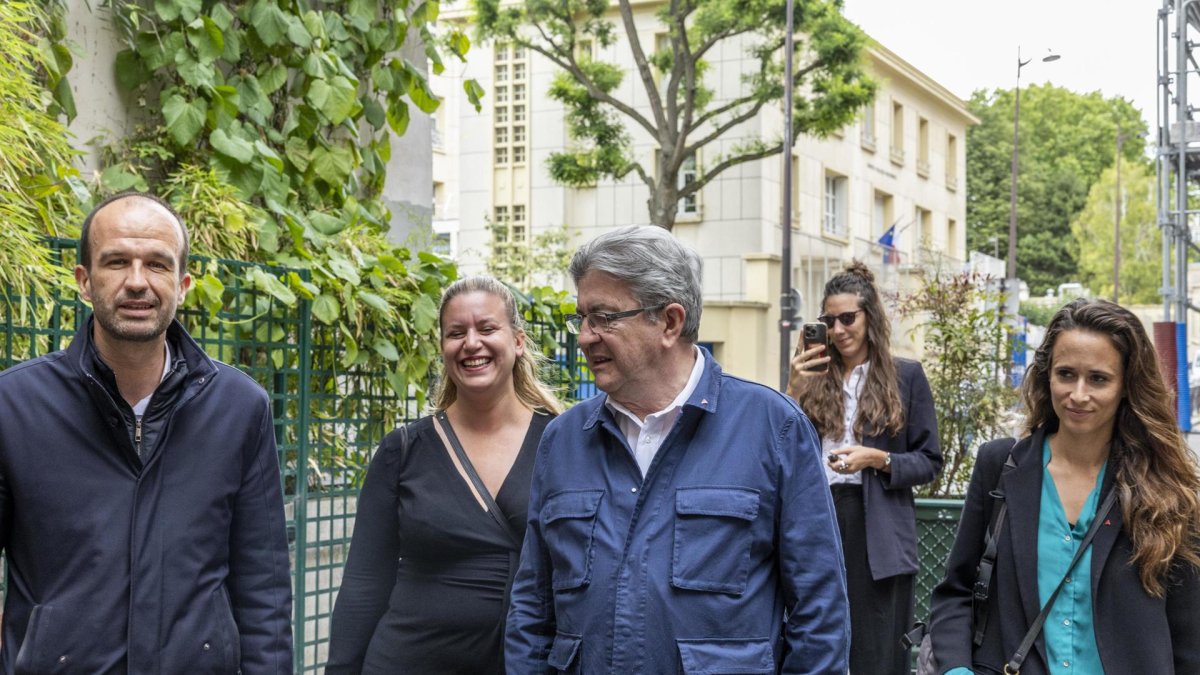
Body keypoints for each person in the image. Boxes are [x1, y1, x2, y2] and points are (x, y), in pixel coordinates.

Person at [505, 225, 849, 673]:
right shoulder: (565, 438)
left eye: (604, 318)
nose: (585, 336)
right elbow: (533, 606)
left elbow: (820, 614)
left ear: (669, 321)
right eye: (581, 318)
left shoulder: (773, 428)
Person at [0, 192, 293, 673]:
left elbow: (264, 587)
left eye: (157, 264)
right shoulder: (14, 406)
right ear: (84, 281)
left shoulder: (240, 407)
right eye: (116, 261)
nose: (137, 282)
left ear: (182, 285)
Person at [929, 299, 1200, 674]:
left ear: (1126, 386)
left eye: (1099, 379)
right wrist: (957, 669)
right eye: (1066, 374)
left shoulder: (1165, 487)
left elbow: (1189, 638)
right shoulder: (1000, 467)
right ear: (1047, 376)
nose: (1078, 394)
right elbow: (955, 592)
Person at [327, 275, 563, 674]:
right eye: (456, 333)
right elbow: (364, 583)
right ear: (443, 347)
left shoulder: (563, 442)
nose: (472, 343)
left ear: (518, 341)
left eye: (487, 328)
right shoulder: (403, 450)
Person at [787, 260, 942, 675]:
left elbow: (930, 461)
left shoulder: (906, 376)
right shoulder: (812, 376)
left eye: (848, 318)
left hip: (877, 527)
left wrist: (877, 459)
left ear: (869, 317)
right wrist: (792, 389)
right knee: (815, 635)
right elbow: (779, 446)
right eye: (829, 320)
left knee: (877, 647)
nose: (838, 330)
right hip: (816, 515)